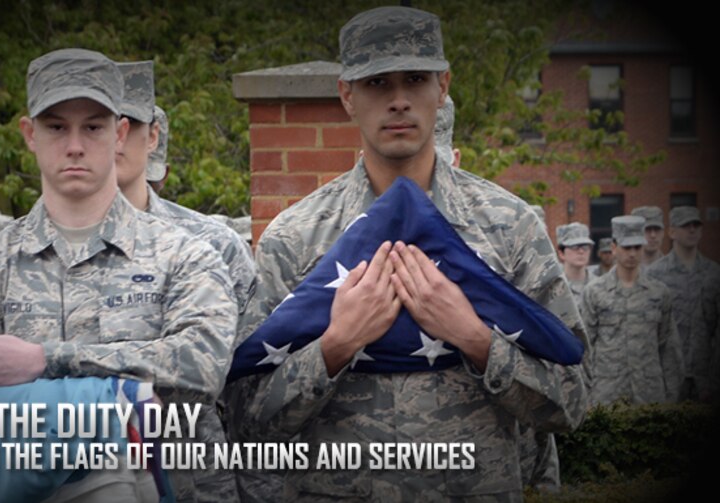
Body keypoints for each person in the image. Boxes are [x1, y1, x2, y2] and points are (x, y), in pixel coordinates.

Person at [225, 7, 588, 500]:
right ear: (347, 96)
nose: (398, 100)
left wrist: (474, 338)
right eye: (377, 83)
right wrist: (336, 345)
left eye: (415, 79)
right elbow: (245, 419)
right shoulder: (296, 238)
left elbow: (572, 400)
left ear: (442, 88)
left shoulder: (509, 226)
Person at [0, 48, 238, 501]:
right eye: (56, 126)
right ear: (29, 134)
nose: (74, 145)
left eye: (93, 126)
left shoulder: (184, 256)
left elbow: (199, 371)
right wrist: (103, 408)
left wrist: (47, 363)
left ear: (121, 133)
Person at [113, 63, 255, 318]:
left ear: (152, 136)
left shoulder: (216, 246)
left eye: (127, 124)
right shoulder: (18, 250)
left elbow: (254, 352)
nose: (113, 138)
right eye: (92, 126)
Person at [581, 216, 682, 406]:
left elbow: (668, 347)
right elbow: (586, 346)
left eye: (637, 247)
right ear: (614, 247)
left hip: (650, 394)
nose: (633, 254)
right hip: (607, 394)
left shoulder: (658, 293)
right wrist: (587, 392)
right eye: (627, 248)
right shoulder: (595, 292)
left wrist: (672, 396)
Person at [645, 206, 720, 401]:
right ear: (672, 232)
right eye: (686, 225)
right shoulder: (655, 274)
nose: (692, 230)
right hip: (668, 373)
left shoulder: (713, 273)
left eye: (696, 225)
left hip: (705, 373)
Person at [556, 222, 595, 308]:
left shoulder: (600, 286)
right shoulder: (553, 286)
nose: (581, 252)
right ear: (561, 253)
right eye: (574, 247)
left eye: (585, 247)